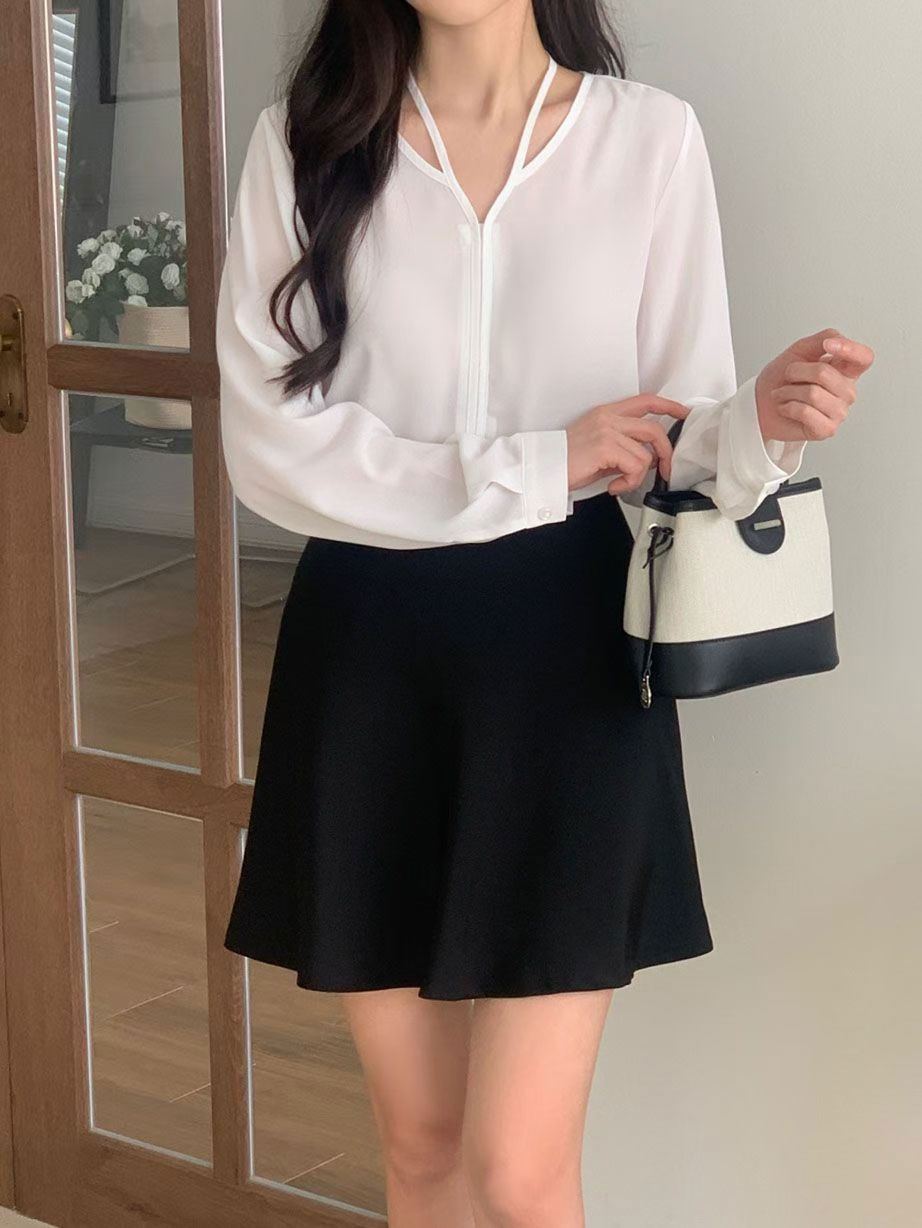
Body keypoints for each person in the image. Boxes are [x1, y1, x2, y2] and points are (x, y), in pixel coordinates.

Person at [215, 3, 873, 1224]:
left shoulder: (648, 139)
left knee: (519, 1173)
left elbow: (672, 439)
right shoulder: (305, 142)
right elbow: (268, 446)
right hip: (365, 651)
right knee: (419, 1147)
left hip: (568, 655)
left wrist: (760, 424)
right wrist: (532, 463)